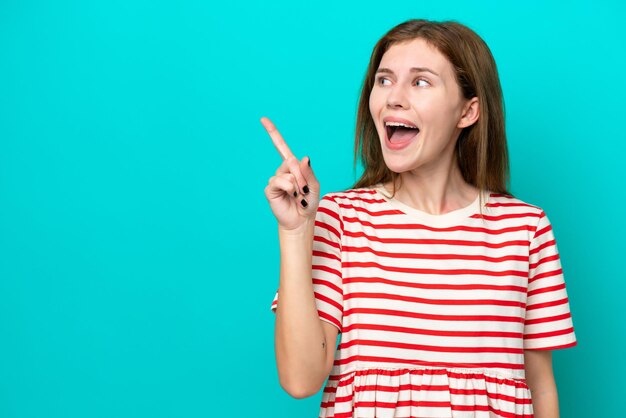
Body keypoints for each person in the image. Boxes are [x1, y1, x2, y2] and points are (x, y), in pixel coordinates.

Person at [262, 19, 576, 418]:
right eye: (384, 80)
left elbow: (541, 388)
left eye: (421, 82)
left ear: (468, 110)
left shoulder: (525, 229)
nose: (393, 98)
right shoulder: (339, 220)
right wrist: (295, 231)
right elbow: (300, 380)